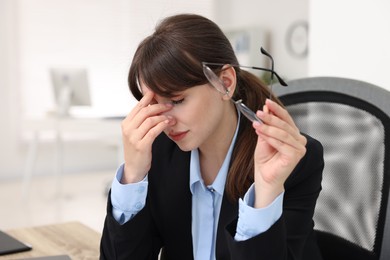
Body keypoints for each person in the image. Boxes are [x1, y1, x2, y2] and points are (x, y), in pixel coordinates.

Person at [100, 13, 324, 260]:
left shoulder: (293, 162)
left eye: (177, 100)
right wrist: (132, 176)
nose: (165, 121)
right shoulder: (157, 151)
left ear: (224, 83)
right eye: (154, 103)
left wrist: (266, 193)